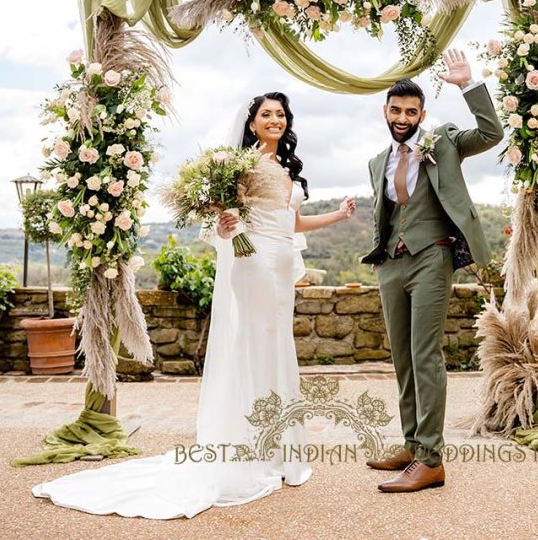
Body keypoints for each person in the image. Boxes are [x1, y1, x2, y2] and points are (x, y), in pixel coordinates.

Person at [32, 92, 356, 519]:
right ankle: (250, 446)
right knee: (254, 344)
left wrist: (336, 215)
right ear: (252, 122)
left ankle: (278, 449)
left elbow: (290, 221)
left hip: (280, 266)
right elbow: (222, 223)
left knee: (276, 346)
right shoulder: (239, 166)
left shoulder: (283, 167)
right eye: (266, 114)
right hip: (251, 260)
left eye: (280, 114)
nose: (274, 120)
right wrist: (226, 226)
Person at [360, 48, 503, 492]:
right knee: (401, 359)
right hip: (391, 265)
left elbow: (491, 132)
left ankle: (431, 459)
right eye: (396, 109)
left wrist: (467, 84)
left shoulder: (442, 140)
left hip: (431, 258)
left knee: (425, 356)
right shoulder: (374, 162)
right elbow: (387, 213)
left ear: (423, 114)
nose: (403, 117)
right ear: (385, 111)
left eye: (411, 111)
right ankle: (411, 445)